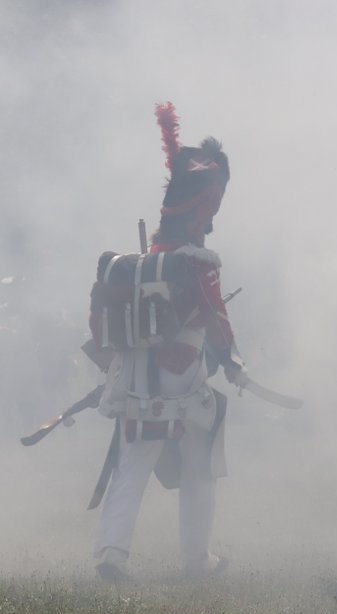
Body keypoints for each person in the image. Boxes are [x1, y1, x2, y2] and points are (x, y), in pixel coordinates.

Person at [89, 102, 247, 581]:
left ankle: (110, 553)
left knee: (134, 461)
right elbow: (217, 321)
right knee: (201, 463)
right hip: (182, 376)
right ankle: (197, 561)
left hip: (134, 375)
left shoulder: (144, 260)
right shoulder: (199, 261)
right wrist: (233, 359)